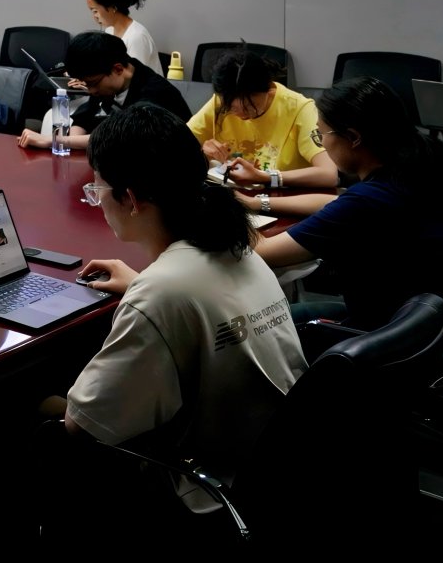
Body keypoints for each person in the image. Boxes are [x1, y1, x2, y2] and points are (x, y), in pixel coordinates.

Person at [53, 104, 305, 516]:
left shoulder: (161, 292)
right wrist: (142, 285)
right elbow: (202, 300)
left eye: (97, 188)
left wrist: (146, 292)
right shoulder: (236, 246)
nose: (96, 199)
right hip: (281, 467)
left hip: (209, 491)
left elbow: (82, 424)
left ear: (130, 198)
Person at [252, 77, 443, 330]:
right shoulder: (424, 165)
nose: (322, 143)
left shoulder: (365, 203)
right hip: (435, 325)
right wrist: (256, 202)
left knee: (264, 326)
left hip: (386, 337)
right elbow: (337, 203)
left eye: (321, 134)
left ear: (353, 137)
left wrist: (225, 213)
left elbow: (261, 253)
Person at [185, 51, 338, 189]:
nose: (241, 115)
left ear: (268, 88)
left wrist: (266, 177)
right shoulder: (220, 103)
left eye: (250, 107)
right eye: (232, 108)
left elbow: (329, 174)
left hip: (281, 200)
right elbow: (176, 147)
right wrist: (201, 152)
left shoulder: (300, 109)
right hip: (232, 197)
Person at [18, 31, 188, 151]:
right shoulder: (109, 83)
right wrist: (70, 142)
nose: (91, 91)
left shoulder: (155, 94)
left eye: (93, 83)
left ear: (118, 69)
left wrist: (54, 141)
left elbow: (120, 138)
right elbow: (85, 117)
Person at [86, 0, 157, 71]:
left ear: (113, 7)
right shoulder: (110, 31)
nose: (94, 17)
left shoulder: (136, 37)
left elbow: (134, 76)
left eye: (95, 11)